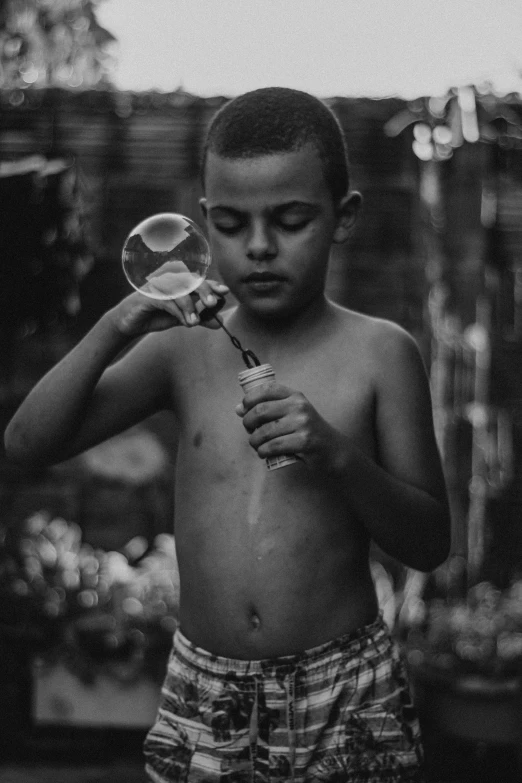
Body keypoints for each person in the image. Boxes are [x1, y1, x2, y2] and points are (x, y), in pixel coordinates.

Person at [4, 87, 450, 782]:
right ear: (205, 224)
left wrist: (335, 453)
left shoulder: (382, 354)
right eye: (234, 225)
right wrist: (120, 321)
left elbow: (429, 542)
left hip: (344, 688)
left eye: (291, 219)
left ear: (344, 216)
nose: (261, 246)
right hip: (202, 689)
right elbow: (26, 445)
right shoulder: (182, 351)